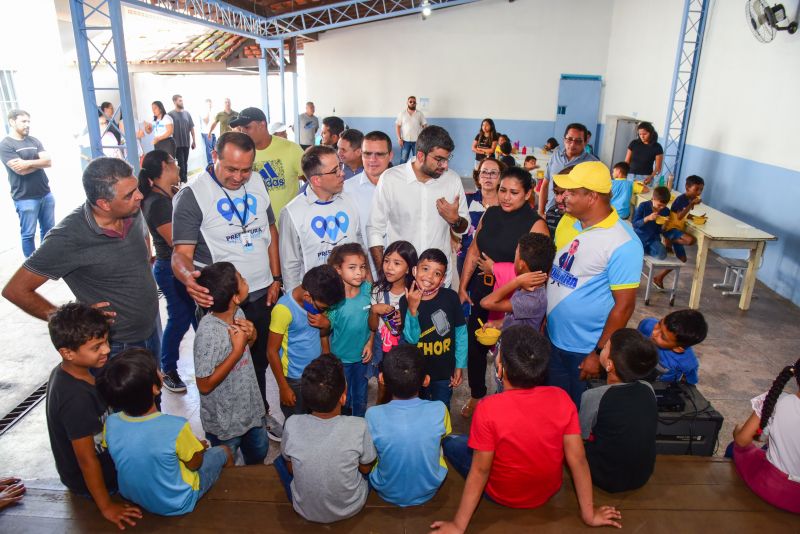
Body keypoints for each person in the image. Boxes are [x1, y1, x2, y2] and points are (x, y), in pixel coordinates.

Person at [431, 326, 622, 532]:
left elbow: (480, 470)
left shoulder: (488, 409)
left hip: (501, 494)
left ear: (500, 369)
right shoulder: (562, 399)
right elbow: (578, 460)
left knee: (451, 442)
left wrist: (459, 525)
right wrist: (589, 514)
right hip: (547, 492)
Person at [171, 132, 282, 432]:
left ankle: (260, 415)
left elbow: (270, 231)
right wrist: (187, 279)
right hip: (223, 300)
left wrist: (276, 277)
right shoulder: (193, 195)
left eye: (245, 169)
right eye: (231, 169)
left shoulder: (256, 182)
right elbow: (180, 254)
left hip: (261, 292)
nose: (239, 177)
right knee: (225, 366)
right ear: (214, 156)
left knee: (258, 362)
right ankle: (226, 428)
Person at [2, 157, 160, 361]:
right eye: (130, 194)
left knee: (153, 391)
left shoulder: (131, 210)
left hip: (151, 329)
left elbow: (143, 240)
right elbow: (16, 290)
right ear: (104, 204)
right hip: (115, 346)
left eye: (136, 188)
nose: (139, 196)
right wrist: (72, 320)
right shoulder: (68, 237)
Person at [546, 161, 643, 407]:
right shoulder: (570, 222)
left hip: (583, 349)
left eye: (572, 192)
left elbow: (624, 307)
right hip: (553, 338)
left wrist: (599, 353)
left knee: (579, 417)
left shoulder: (623, 242)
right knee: (555, 410)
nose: (563, 196)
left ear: (592, 197)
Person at [97, 348, 233, 516]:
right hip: (178, 502)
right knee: (224, 451)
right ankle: (231, 493)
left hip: (132, 495)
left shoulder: (111, 423)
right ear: (155, 388)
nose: (160, 372)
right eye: (157, 370)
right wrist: (199, 447)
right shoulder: (176, 427)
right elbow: (195, 464)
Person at [458, 167, 549, 418]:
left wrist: (497, 269)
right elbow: (474, 250)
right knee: (475, 344)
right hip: (482, 288)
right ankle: (477, 394)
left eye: (514, 192)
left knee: (511, 350)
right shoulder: (491, 213)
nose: (506, 197)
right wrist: (463, 286)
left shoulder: (536, 225)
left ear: (529, 193)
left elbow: (538, 275)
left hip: (513, 296)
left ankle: (512, 400)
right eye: (502, 191)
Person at [45, 303, 143, 529]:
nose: (107, 350)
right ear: (67, 353)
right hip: (93, 482)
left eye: (107, 341)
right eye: (97, 346)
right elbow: (86, 460)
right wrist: (107, 507)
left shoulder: (78, 371)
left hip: (106, 462)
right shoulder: (75, 398)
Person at [274, 354, 377, 523]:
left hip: (304, 509)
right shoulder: (359, 425)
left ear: (306, 399)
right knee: (373, 463)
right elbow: (365, 469)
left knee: (280, 460)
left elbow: (291, 468)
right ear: (343, 398)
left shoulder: (291, 424)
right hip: (352, 507)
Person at [367, 125, 468, 287]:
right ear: (421, 155)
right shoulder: (391, 179)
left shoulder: (452, 180)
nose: (445, 166)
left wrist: (455, 220)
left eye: (447, 159)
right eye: (439, 159)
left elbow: (464, 226)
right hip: (401, 280)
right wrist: (384, 275)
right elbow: (374, 229)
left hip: (438, 280)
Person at [194, 262, 268, 464]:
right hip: (225, 422)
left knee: (258, 454)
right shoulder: (208, 333)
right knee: (228, 466)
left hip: (250, 409)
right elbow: (204, 384)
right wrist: (236, 351)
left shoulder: (238, 314)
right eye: (242, 279)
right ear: (235, 297)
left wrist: (252, 336)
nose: (246, 281)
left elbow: (246, 350)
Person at [138, 150, 197, 392]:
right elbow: (177, 241)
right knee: (180, 319)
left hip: (175, 266)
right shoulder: (157, 203)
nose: (178, 165)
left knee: (195, 317)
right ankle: (168, 369)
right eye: (173, 161)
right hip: (170, 268)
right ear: (164, 166)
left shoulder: (167, 195)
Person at [366, 344, 451, 506]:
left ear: (382, 379)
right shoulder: (439, 409)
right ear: (426, 381)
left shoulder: (372, 415)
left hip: (386, 490)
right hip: (430, 489)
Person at [579, 329, 659, 493]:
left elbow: (582, 436)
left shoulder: (594, 396)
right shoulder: (648, 388)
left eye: (606, 346)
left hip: (605, 477)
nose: (602, 348)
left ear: (610, 365)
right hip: (641, 475)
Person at [279, 145, 365, 292]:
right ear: (316, 180)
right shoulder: (292, 212)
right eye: (335, 171)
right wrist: (297, 302)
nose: (342, 173)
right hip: (316, 297)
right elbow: (290, 265)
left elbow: (360, 245)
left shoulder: (350, 201)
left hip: (352, 292)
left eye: (340, 166)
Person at [267, 265, 345, 419]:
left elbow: (322, 335)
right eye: (323, 308)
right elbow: (271, 351)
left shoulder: (318, 302)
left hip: (316, 371)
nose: (324, 311)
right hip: (294, 378)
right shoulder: (283, 309)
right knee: (297, 418)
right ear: (308, 297)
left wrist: (326, 325)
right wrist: (283, 387)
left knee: (315, 415)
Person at [729, 358, 800, 513]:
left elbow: (742, 441)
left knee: (734, 447)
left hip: (773, 488)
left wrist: (737, 429)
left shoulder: (778, 400)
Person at [399, 248, 466, 409]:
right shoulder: (405, 300)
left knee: (441, 410)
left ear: (442, 279)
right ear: (415, 270)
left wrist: (460, 365)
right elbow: (411, 338)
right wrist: (412, 310)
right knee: (417, 410)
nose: (429, 276)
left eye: (437, 273)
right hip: (417, 372)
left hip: (443, 372)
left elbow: (461, 333)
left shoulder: (450, 297)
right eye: (425, 269)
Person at [231, 106, 304, 220]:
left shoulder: (291, 149)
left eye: (247, 127)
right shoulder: (239, 154)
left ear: (262, 125)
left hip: (288, 225)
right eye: (241, 129)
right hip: (256, 227)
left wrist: (301, 208)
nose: (243, 132)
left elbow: (311, 181)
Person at [327, 243, 374, 417]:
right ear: (338, 269)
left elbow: (373, 320)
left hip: (362, 358)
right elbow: (325, 331)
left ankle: (360, 426)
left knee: (361, 396)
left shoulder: (368, 290)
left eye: (362, 267)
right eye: (352, 267)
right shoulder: (333, 300)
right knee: (343, 397)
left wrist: (370, 342)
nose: (359, 273)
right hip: (341, 360)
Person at [1, 109, 55, 257]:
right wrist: (38, 163)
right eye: (23, 121)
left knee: (49, 231)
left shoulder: (34, 140)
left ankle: (47, 261)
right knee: (28, 234)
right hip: (25, 198)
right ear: (12, 122)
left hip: (45, 193)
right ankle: (31, 268)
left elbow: (48, 161)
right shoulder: (6, 144)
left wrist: (27, 163)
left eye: (28, 121)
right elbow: (20, 171)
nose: (27, 125)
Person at [369, 240, 418, 398]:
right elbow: (372, 327)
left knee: (407, 387)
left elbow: (419, 328)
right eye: (386, 261)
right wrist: (374, 311)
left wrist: (406, 317)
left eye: (397, 263)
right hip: (382, 349)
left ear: (408, 269)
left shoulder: (414, 293)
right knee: (383, 388)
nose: (389, 267)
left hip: (407, 350)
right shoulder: (377, 291)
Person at [480, 232, 555, 331]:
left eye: (516, 254)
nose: (514, 258)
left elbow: (485, 303)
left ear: (521, 264)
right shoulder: (528, 286)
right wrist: (499, 324)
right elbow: (519, 317)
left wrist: (517, 281)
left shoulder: (533, 300)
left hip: (517, 345)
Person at [343, 130, 394, 279]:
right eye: (367, 153)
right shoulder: (346, 190)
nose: (372, 159)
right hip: (363, 275)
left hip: (400, 272)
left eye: (379, 154)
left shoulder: (404, 187)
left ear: (390, 155)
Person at [537, 123, 598, 218]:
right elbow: (545, 185)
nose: (573, 144)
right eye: (569, 139)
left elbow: (596, 196)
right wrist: (541, 211)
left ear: (585, 142)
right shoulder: (555, 156)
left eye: (578, 141)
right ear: (564, 139)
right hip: (550, 212)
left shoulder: (593, 163)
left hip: (576, 218)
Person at [654, 174, 704, 289]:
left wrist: (692, 217)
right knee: (691, 240)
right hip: (671, 228)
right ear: (687, 188)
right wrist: (691, 204)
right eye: (696, 189)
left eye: (701, 189)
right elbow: (680, 216)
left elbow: (682, 214)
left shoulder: (690, 199)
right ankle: (668, 239)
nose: (699, 192)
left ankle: (659, 278)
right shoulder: (682, 199)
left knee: (682, 259)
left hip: (678, 229)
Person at [457, 158, 503, 276]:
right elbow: (452, 221)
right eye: (484, 172)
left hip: (495, 262)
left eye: (493, 173)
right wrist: (453, 239)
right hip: (466, 259)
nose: (488, 176)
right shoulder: (467, 200)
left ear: (500, 178)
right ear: (478, 177)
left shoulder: (506, 204)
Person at [637, 309, 707, 384]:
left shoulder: (687, 362)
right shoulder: (647, 325)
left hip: (660, 385)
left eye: (663, 337)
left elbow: (689, 383)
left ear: (677, 349)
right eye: (659, 324)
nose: (654, 333)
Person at [632, 185, 671, 259]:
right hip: (640, 236)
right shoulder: (643, 206)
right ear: (653, 199)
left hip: (653, 238)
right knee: (633, 254)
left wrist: (665, 224)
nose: (661, 208)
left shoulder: (666, 211)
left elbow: (660, 230)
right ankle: (640, 250)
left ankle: (643, 250)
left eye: (664, 206)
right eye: (659, 205)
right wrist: (647, 218)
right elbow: (635, 224)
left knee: (662, 255)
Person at [169, 94, 196, 183]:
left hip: (186, 143)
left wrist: (194, 141)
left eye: (182, 100)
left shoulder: (187, 114)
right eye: (180, 100)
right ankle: (183, 181)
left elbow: (191, 128)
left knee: (185, 162)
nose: (182, 102)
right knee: (181, 163)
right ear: (174, 102)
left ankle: (184, 180)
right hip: (176, 144)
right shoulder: (170, 115)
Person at [396, 96, 427, 163]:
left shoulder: (420, 114)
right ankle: (402, 173)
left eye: (414, 102)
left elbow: (425, 126)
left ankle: (416, 173)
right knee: (403, 159)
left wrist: (423, 138)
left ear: (416, 103)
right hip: (405, 141)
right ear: (407, 102)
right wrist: (399, 138)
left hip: (417, 141)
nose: (412, 103)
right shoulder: (402, 114)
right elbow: (398, 126)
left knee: (417, 160)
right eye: (411, 101)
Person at [198, 98, 214, 166]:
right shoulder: (203, 112)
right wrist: (208, 110)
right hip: (206, 132)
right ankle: (210, 164)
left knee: (215, 148)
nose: (210, 104)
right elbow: (206, 121)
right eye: (208, 103)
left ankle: (214, 163)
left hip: (213, 133)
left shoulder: (212, 111)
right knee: (209, 149)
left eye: (211, 103)